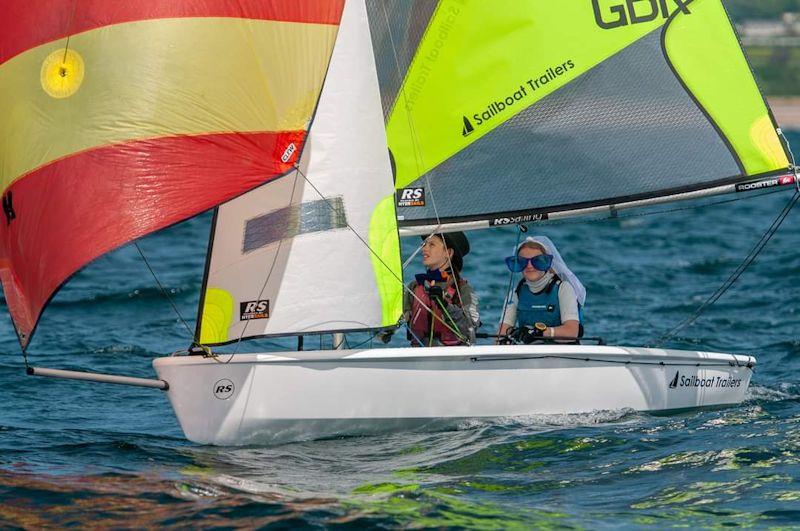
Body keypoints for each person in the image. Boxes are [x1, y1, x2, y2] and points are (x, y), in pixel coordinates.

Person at [498, 236, 585, 343]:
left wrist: (539, 332)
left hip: (563, 355)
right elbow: (501, 335)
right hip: (529, 356)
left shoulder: (564, 288)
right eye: (523, 262)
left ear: (547, 263)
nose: (529, 266)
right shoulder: (516, 293)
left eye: (537, 261)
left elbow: (572, 332)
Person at [403, 232, 479, 347]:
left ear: (448, 253)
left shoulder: (463, 289)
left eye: (431, 245)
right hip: (418, 355)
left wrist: (444, 304)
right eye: (424, 244)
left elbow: (470, 330)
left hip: (453, 358)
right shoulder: (414, 287)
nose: (424, 249)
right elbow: (394, 324)